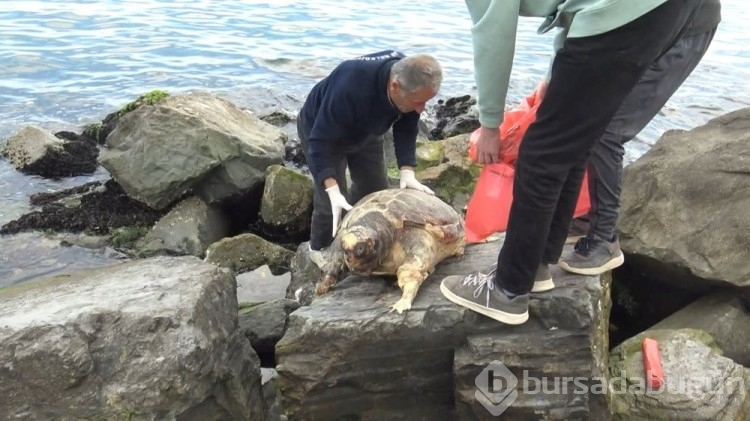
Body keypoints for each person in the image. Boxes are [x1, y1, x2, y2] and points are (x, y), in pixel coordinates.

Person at [440, 0, 713, 325]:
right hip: (661, 12)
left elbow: (493, 34)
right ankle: (537, 265)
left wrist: (489, 124)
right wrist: (555, 74)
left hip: (625, 13)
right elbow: (575, 10)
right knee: (576, 139)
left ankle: (507, 289)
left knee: (541, 152)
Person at [559, 0, 721, 275]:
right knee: (588, 112)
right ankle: (588, 219)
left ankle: (603, 240)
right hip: (638, 22)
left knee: (607, 130)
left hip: (684, 25)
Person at [297, 50, 442, 252]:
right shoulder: (349, 84)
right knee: (331, 206)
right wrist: (332, 190)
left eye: (426, 101)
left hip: (368, 130)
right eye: (418, 102)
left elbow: (407, 126)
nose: (421, 109)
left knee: (374, 188)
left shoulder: (410, 77)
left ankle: (359, 238)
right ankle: (319, 252)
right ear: (394, 86)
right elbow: (320, 143)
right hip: (323, 131)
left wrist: (407, 170)